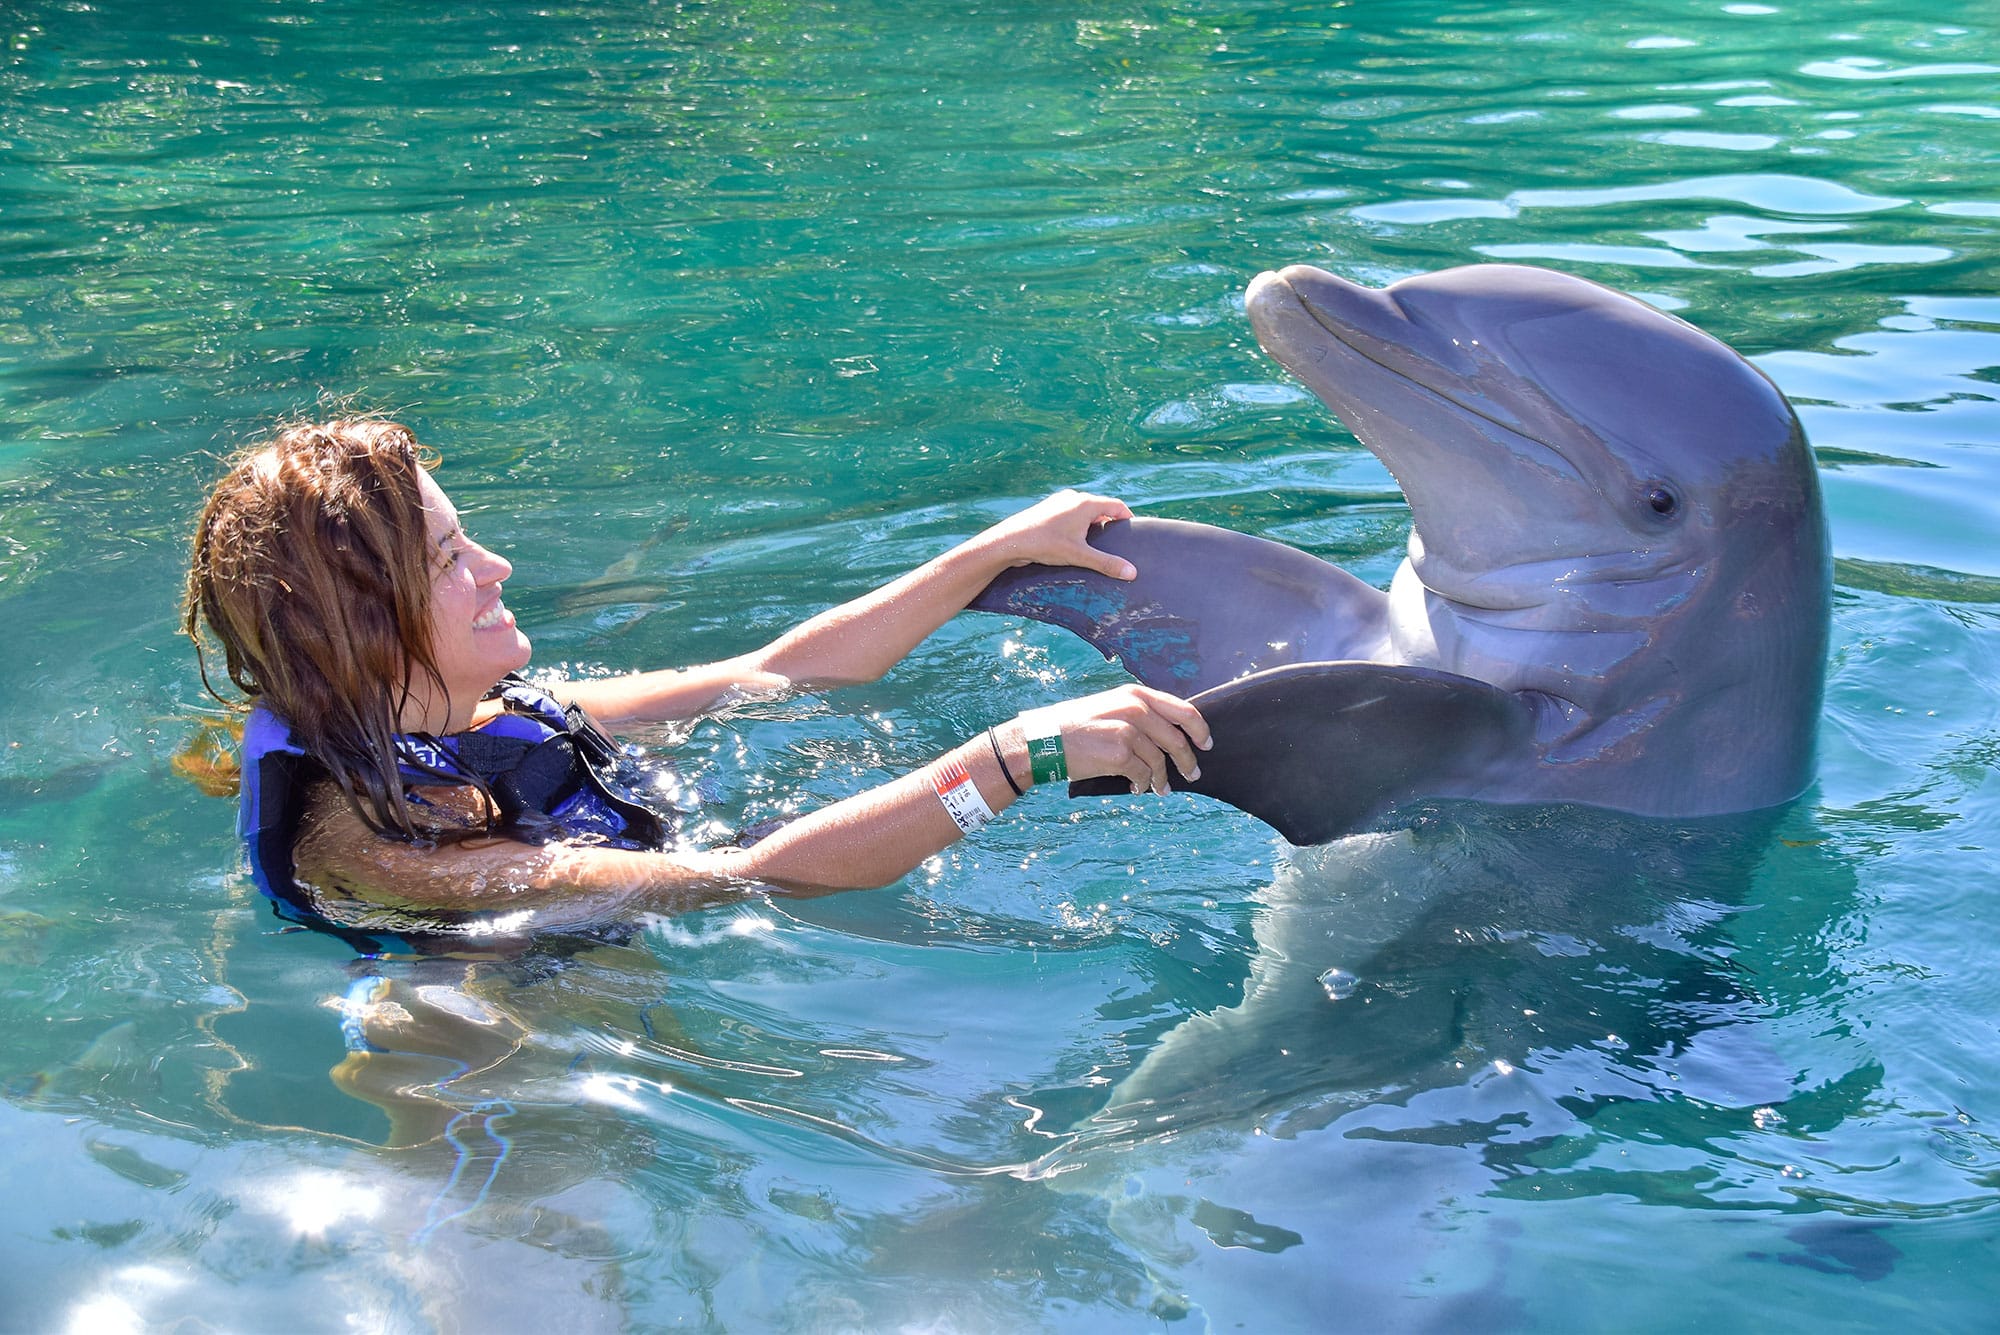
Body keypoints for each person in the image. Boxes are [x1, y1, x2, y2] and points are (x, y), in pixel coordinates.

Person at [184, 416, 1210, 943]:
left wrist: (988, 552)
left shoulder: (494, 718)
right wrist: (1017, 755)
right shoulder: (380, 850)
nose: (496, 569)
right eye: (451, 561)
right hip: (493, 1083)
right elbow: (756, 879)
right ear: (368, 623)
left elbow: (775, 676)